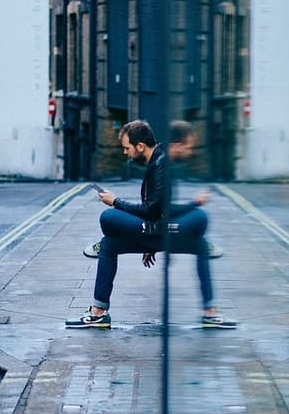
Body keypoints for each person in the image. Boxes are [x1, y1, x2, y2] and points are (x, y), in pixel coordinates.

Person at [65, 119, 236, 329]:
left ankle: (99, 312)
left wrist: (116, 202)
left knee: (109, 218)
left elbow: (153, 210)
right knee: (110, 245)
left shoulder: (161, 164)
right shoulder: (158, 160)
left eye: (127, 148)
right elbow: (161, 209)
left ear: (140, 146)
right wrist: (148, 241)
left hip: (159, 230)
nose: (125, 153)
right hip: (157, 231)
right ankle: (98, 313)